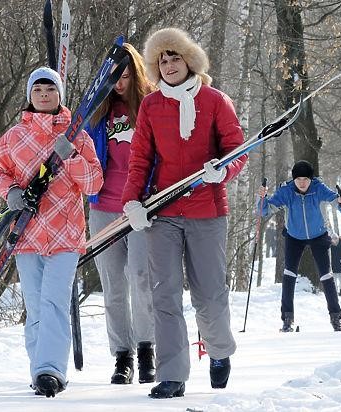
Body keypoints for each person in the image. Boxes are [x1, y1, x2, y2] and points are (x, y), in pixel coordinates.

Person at [121, 28, 248, 399]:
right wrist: (133, 203)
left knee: (209, 295)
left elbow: (237, 148)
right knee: (164, 295)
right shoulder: (150, 105)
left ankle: (219, 350)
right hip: (163, 210)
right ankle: (172, 374)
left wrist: (223, 169)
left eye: (175, 57)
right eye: (162, 59)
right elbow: (140, 158)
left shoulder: (214, 100)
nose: (169, 64)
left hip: (207, 210)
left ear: (189, 60)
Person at [0, 67, 103, 397]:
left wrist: (73, 157)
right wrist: (11, 192)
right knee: (36, 305)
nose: (42, 95)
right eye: (37, 90)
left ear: (59, 96)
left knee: (53, 301)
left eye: (49, 90)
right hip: (26, 234)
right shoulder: (12, 137)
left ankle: (50, 370)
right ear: (29, 95)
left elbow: (94, 182)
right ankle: (39, 367)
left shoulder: (76, 135)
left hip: (65, 234)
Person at [85, 43, 156, 385]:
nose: (120, 84)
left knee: (142, 279)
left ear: (136, 74)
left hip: (141, 208)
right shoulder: (97, 111)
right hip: (103, 206)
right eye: (114, 77)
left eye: (126, 76)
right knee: (113, 286)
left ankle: (146, 349)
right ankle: (122, 356)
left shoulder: (150, 106)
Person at [257, 160, 341, 333]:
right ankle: (287, 319)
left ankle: (336, 318)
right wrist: (261, 197)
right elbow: (264, 211)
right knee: (289, 275)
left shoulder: (318, 187)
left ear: (310, 179)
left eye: (305, 179)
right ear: (294, 180)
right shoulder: (287, 191)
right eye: (298, 179)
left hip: (319, 235)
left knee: (326, 276)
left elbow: (336, 202)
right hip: (294, 236)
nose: (302, 183)